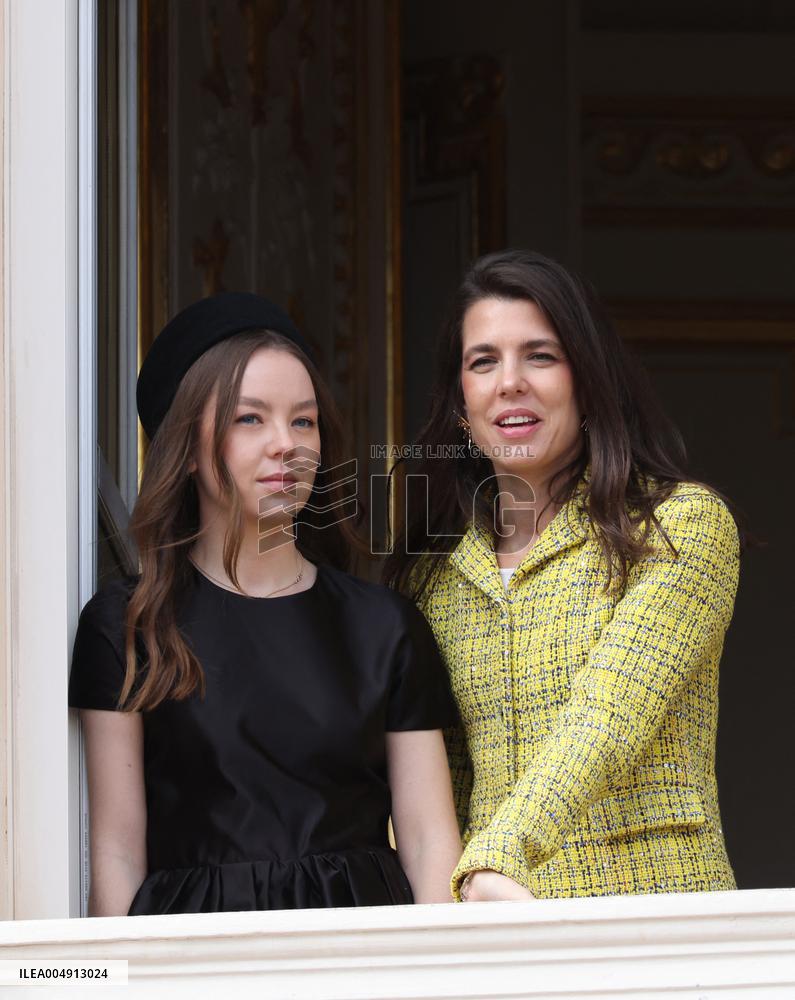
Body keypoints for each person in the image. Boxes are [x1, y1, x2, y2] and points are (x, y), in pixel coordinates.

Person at [70, 292, 461, 916]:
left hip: (362, 956)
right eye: (250, 419)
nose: (287, 444)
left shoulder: (384, 626)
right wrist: (106, 982)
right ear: (186, 448)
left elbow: (429, 841)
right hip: (193, 959)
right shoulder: (127, 626)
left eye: (303, 421)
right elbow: (116, 853)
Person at [384, 250, 742, 903]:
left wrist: (501, 857)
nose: (509, 382)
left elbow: (608, 714)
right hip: (492, 934)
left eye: (540, 356)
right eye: (483, 361)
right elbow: (428, 784)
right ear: (460, 403)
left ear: (587, 380)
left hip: (652, 923)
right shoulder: (432, 575)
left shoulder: (677, 526)